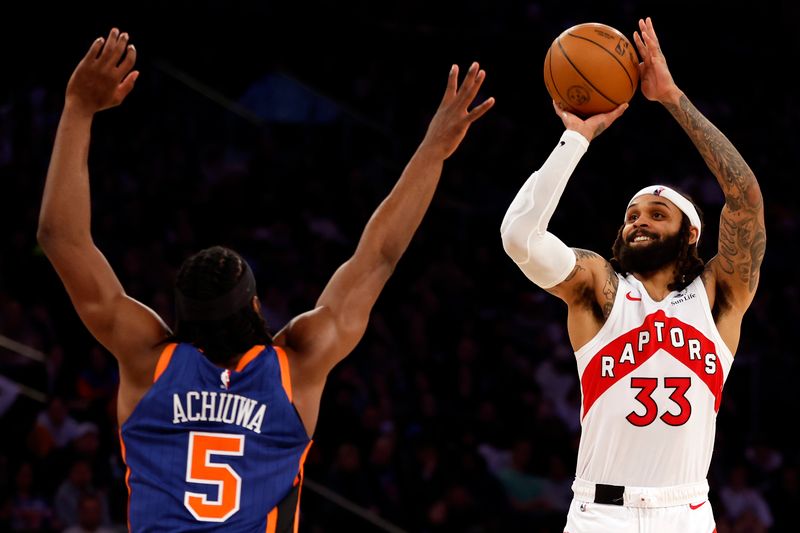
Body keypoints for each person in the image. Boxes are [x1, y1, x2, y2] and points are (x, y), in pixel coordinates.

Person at [37, 27, 494, 532]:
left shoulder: (148, 359)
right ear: (255, 307)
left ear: (179, 316)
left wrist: (78, 107)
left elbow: (61, 239)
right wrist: (433, 150)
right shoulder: (296, 366)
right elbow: (380, 255)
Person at [500, 17, 764, 533]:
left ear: (692, 234)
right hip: (600, 515)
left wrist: (671, 98)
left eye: (656, 215)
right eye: (632, 215)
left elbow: (745, 200)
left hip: (685, 513)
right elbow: (519, 239)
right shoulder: (600, 289)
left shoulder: (719, 296)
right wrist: (574, 140)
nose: (639, 221)